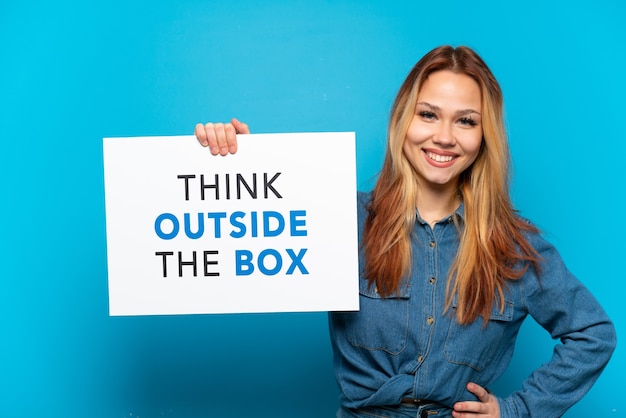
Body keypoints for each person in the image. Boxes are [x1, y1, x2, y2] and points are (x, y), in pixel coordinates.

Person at [194, 45, 616, 418]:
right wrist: (237, 163)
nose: (445, 137)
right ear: (403, 121)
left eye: (466, 121)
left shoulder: (513, 247)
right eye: (428, 114)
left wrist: (518, 411)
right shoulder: (339, 217)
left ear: (484, 135)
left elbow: (593, 334)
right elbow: (252, 232)